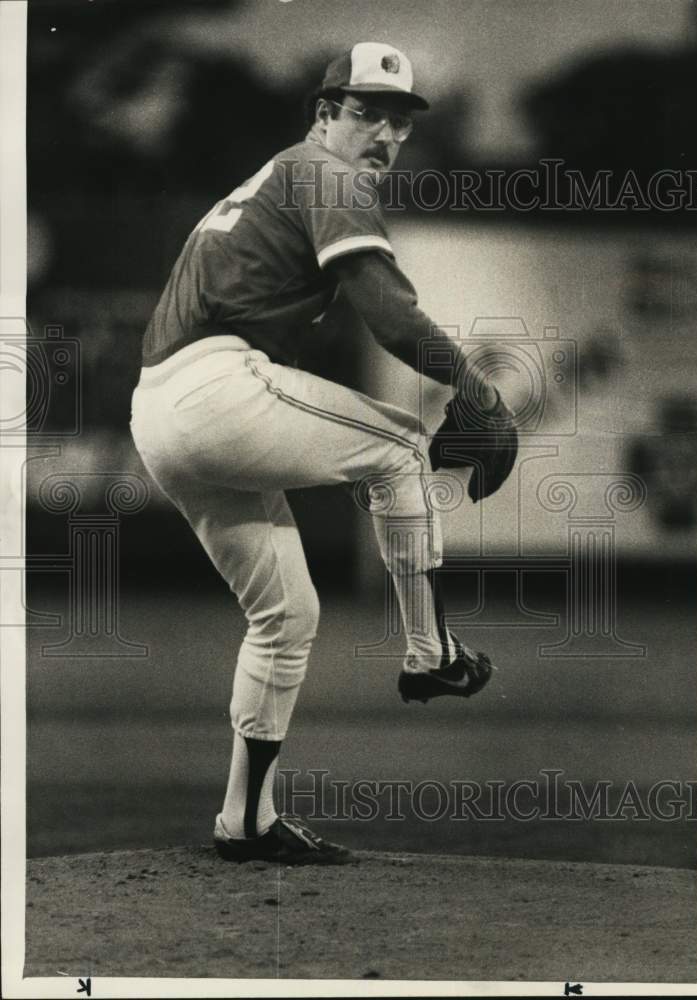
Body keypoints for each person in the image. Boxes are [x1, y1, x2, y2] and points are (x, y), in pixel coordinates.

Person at [130, 42, 506, 866]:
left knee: (287, 617)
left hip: (161, 412)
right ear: (324, 114)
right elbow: (393, 318)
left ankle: (248, 819)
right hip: (213, 389)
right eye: (365, 111)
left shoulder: (279, 176)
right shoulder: (328, 175)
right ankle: (430, 653)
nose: (385, 133)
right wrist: (480, 392)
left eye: (399, 120)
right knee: (403, 445)